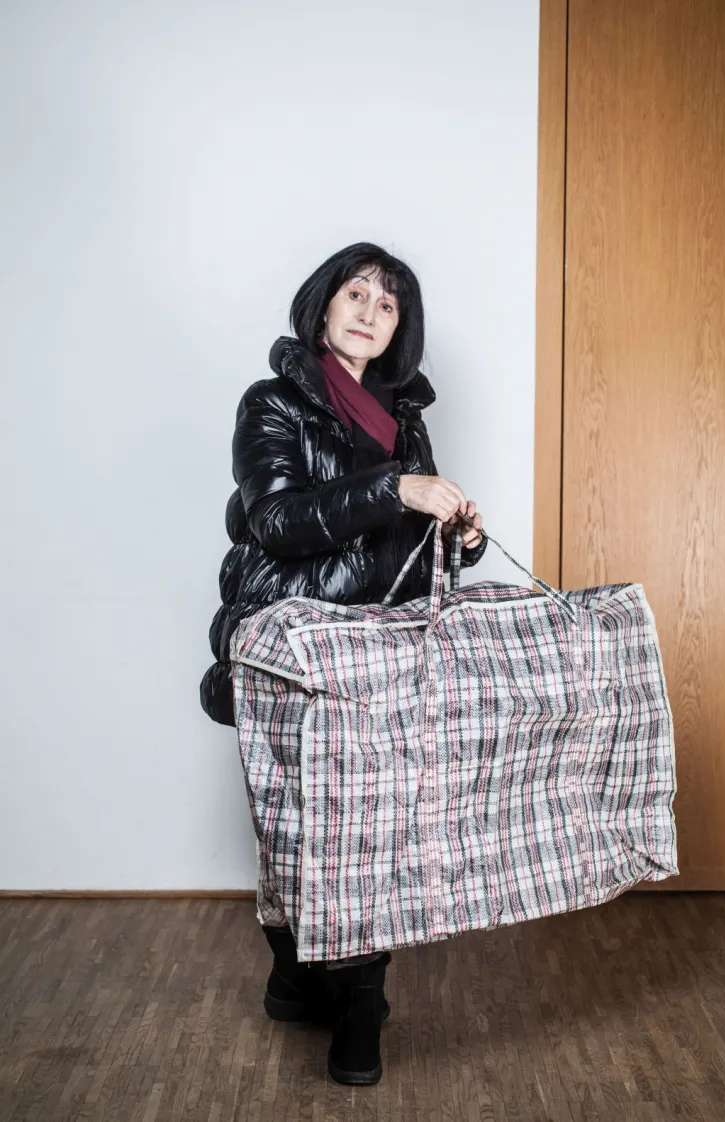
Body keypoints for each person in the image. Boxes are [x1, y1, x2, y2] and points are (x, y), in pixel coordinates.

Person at [200, 242, 487, 1085]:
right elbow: (279, 521)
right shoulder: (272, 403)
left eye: (388, 304)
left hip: (380, 652)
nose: (369, 310)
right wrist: (396, 491)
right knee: (294, 821)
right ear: (323, 305)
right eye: (355, 293)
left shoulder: (406, 417)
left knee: (372, 827)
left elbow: (406, 557)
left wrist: (454, 534)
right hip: (291, 644)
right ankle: (295, 973)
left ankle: (361, 1003)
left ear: (400, 328)